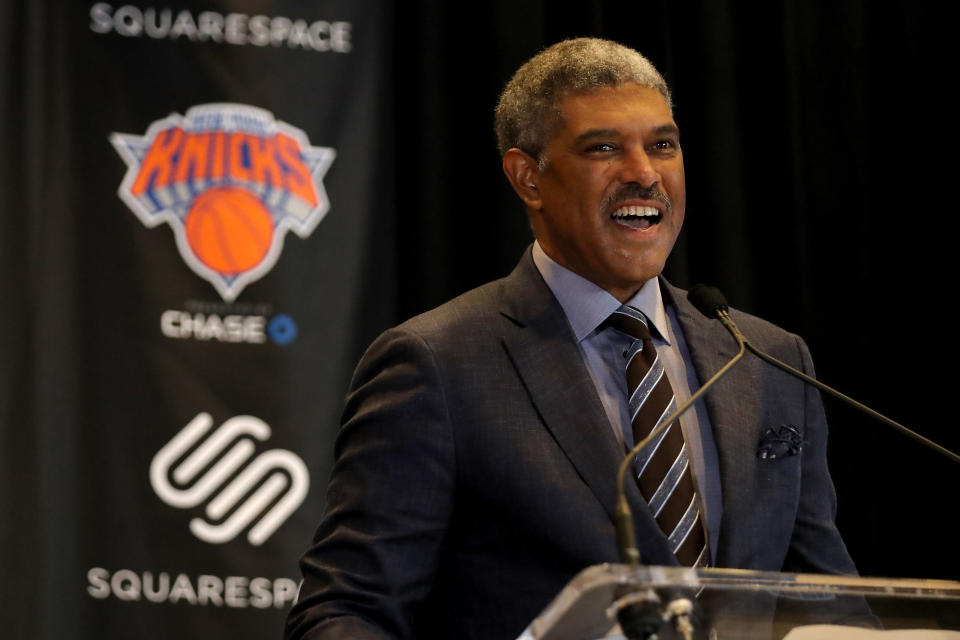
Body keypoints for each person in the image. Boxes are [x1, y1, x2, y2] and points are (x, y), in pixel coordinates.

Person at [285, 38, 857, 640]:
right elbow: (343, 614)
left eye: (662, 145)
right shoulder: (438, 363)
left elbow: (828, 605)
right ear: (528, 178)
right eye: (603, 148)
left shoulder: (764, 359)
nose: (643, 173)